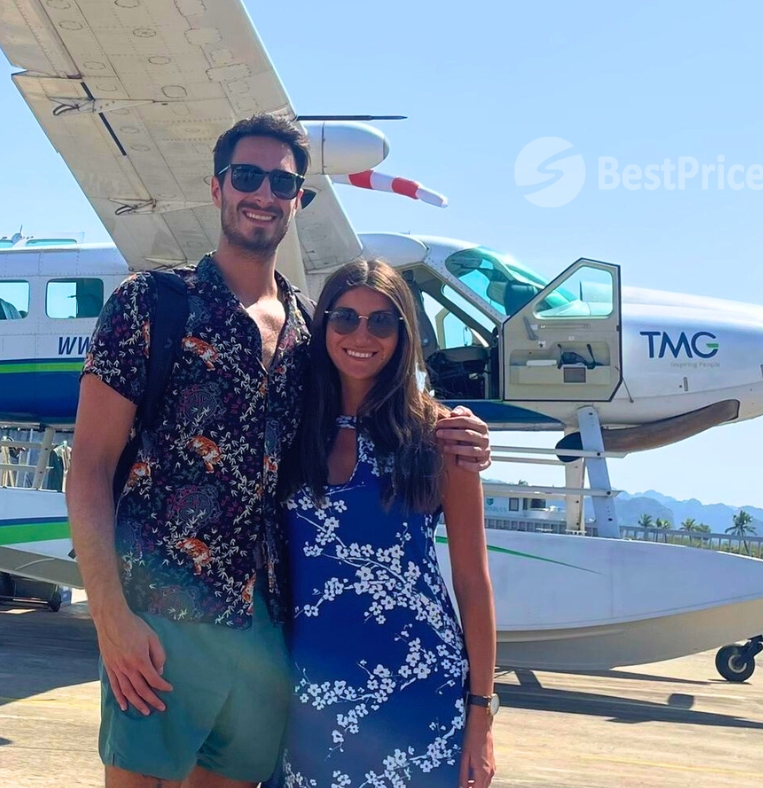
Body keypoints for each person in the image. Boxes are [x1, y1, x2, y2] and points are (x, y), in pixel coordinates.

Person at [66, 112, 492, 788]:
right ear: (217, 188)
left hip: (267, 634)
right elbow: (87, 466)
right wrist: (111, 619)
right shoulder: (148, 304)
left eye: (281, 182)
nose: (262, 193)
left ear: (300, 199)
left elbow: (373, 388)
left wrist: (458, 427)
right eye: (246, 176)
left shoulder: (306, 334)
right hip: (160, 616)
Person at [279, 258, 497, 788]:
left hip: (418, 697)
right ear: (322, 326)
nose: (362, 334)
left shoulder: (442, 437)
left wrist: (481, 716)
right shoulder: (285, 425)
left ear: (404, 334)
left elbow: (471, 581)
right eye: (345, 317)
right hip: (308, 698)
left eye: (382, 321)